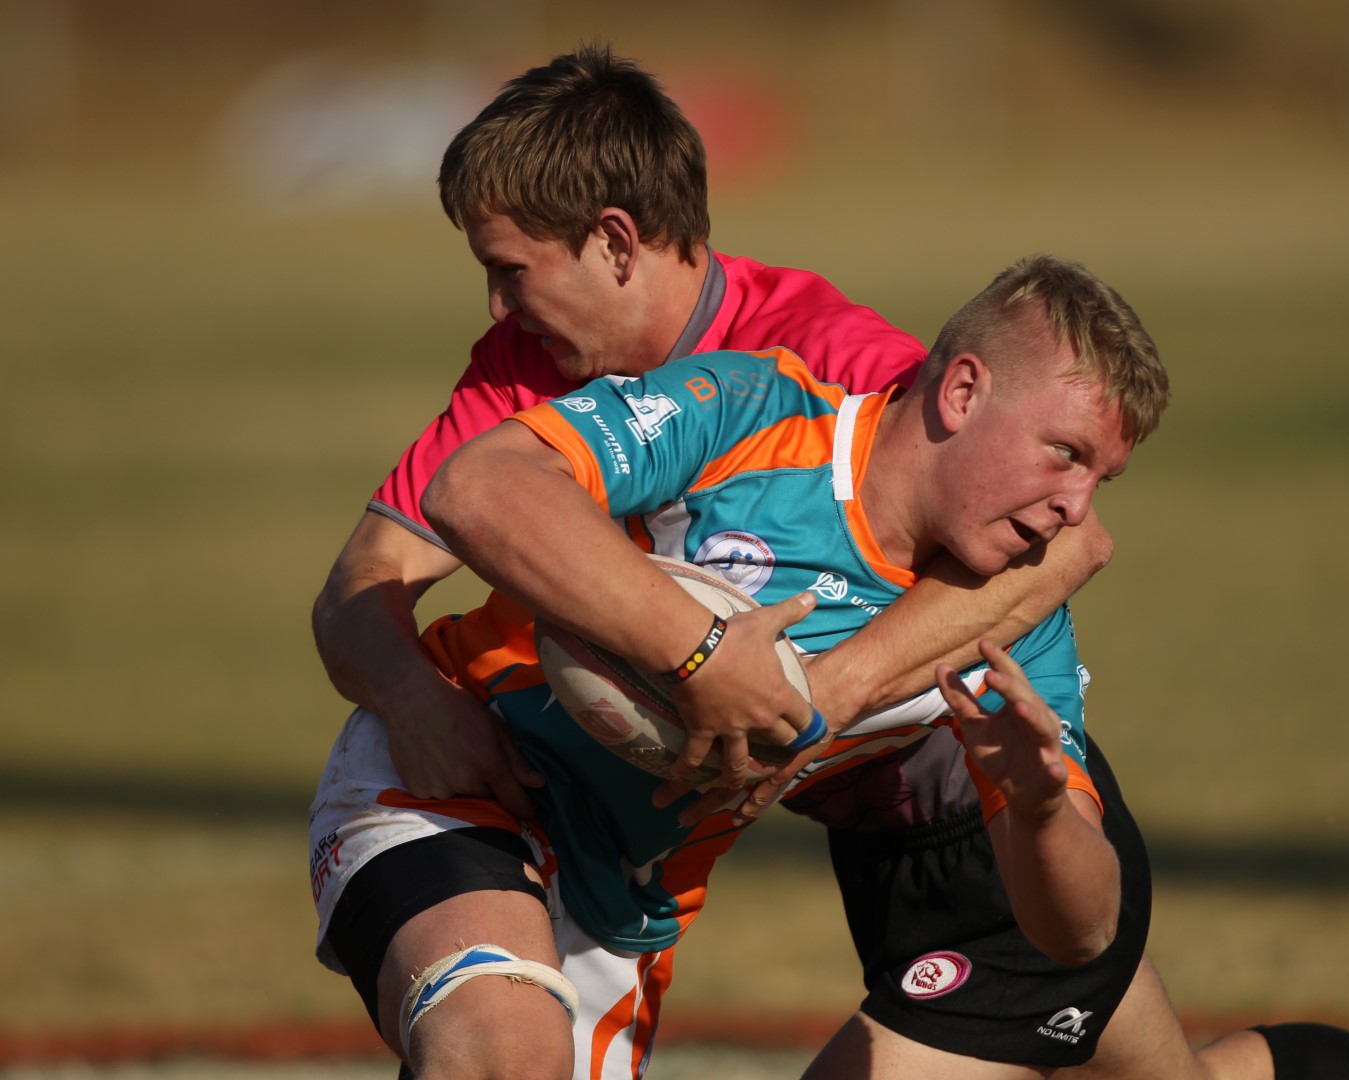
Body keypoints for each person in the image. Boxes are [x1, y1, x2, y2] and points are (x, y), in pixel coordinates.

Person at [309, 45, 1349, 1080]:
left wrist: (815, 696)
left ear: (615, 241)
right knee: (501, 1050)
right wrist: (425, 693)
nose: (497, 303)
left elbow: (1056, 544)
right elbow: (379, 571)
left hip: (916, 768)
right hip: (585, 784)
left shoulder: (821, 369)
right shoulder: (537, 357)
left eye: (512, 268)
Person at [310, 253, 1161, 1080]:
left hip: (622, 911)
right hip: (452, 772)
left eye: (1104, 478)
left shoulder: (1015, 627)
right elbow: (478, 486)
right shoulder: (751, 410)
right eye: (1066, 452)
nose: (1076, 507)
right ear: (963, 391)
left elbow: (1082, 935)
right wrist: (704, 656)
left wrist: (1041, 814)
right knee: (509, 1052)